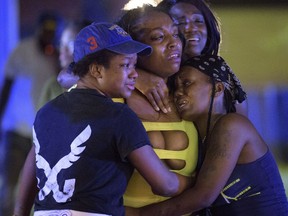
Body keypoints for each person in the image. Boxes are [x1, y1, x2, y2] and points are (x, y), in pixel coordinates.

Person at [15, 22, 191, 216]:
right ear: (97, 70)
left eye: (135, 65)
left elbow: (32, 170)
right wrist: (194, 181)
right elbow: (165, 185)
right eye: (125, 65)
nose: (135, 74)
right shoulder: (119, 116)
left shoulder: (46, 112)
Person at [128, 55, 288, 216]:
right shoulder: (202, 139)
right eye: (175, 87)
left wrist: (138, 214)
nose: (177, 93)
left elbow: (203, 197)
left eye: (187, 83)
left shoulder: (232, 126)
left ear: (217, 89)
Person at [116, 4, 198, 209]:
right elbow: (75, 74)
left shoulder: (188, 94)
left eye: (175, 34)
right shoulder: (115, 98)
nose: (174, 43)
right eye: (158, 37)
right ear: (134, 47)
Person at [137, 0, 248, 117]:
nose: (191, 28)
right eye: (179, 23)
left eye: (198, 20)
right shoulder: (146, 78)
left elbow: (241, 127)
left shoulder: (222, 75)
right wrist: (139, 78)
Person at [0, 11, 62, 216]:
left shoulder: (56, 56)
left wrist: (56, 60)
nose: (48, 36)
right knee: (9, 185)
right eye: (46, 31)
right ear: (39, 29)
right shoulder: (22, 51)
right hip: (17, 130)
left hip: (41, 135)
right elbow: (6, 88)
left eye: (52, 33)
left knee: (35, 190)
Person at [37, 19, 91, 108]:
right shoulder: (53, 86)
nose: (63, 51)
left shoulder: (106, 84)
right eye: (61, 44)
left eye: (71, 44)